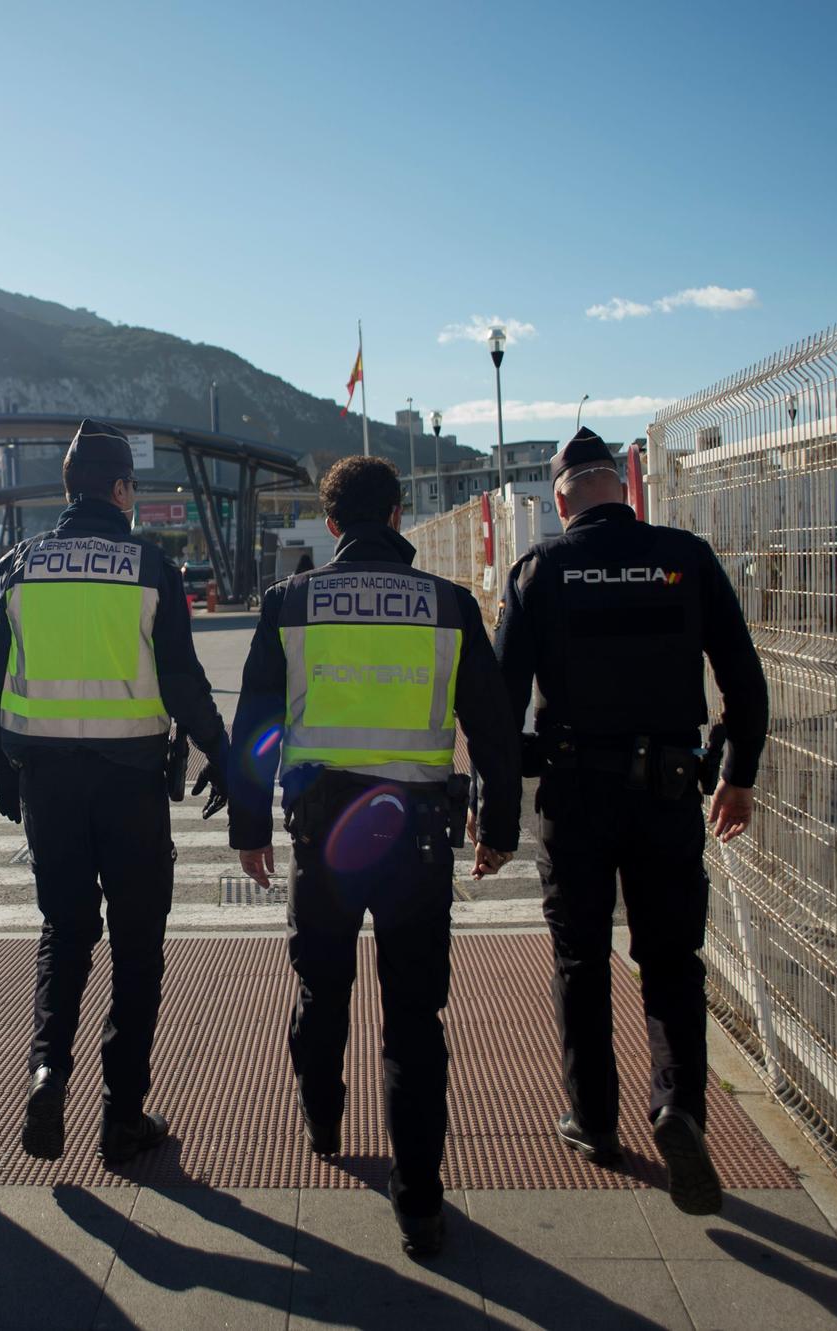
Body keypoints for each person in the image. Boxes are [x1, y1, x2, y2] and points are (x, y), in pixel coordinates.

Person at [228, 454, 520, 1259]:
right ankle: (420, 1201)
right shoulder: (449, 604)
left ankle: (323, 1116)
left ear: (331, 525)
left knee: (322, 989)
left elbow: (255, 724)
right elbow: (494, 729)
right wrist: (499, 826)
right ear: (397, 514)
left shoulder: (291, 602)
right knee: (415, 1016)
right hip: (417, 835)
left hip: (324, 834)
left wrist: (248, 826)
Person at [493, 427, 768, 1216]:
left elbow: (501, 702)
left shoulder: (540, 570)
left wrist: (500, 802)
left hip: (575, 792)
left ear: (559, 499)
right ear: (623, 486)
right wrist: (738, 775)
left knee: (581, 955)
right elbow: (745, 684)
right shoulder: (687, 557)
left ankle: (593, 1119)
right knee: (672, 958)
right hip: (670, 787)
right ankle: (679, 1106)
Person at [0, 419, 230, 1164]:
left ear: (65, 488)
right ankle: (122, 1118)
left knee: (64, 929)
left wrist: (2, 770)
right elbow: (181, 681)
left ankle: (48, 1070)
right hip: (132, 787)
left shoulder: (17, 565)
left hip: (47, 788)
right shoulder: (150, 566)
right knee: (137, 948)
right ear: (120, 490)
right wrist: (223, 752)